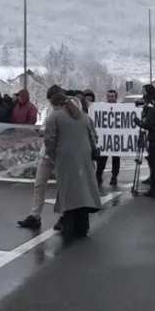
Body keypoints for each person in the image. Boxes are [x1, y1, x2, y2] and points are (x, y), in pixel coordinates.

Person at [43, 91, 103, 241]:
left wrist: (53, 155)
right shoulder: (83, 116)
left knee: (68, 192)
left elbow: (49, 139)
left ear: (58, 105)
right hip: (84, 157)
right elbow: (93, 136)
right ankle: (82, 228)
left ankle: (68, 227)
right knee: (83, 191)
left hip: (65, 158)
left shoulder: (55, 117)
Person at [18, 85, 68, 230]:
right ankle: (35, 216)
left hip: (60, 153)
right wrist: (43, 131)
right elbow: (45, 127)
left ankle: (64, 216)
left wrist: (46, 131)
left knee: (63, 187)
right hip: (47, 152)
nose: (51, 103)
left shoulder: (68, 111)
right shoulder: (50, 112)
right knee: (39, 184)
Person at [95, 89, 122, 186]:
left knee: (116, 159)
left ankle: (114, 176)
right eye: (109, 96)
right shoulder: (102, 107)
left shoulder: (120, 107)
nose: (110, 98)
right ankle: (98, 175)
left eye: (112, 96)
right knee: (101, 158)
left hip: (116, 138)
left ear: (116, 97)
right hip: (104, 138)